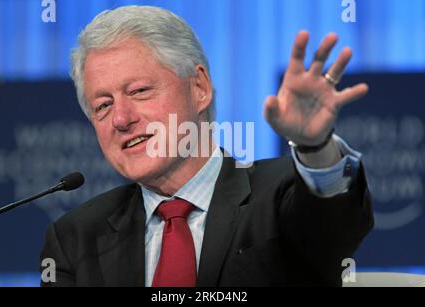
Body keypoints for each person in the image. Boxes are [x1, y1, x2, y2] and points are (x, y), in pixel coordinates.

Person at [40, 5, 373, 287]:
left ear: (199, 87)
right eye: (103, 105)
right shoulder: (75, 239)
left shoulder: (281, 194)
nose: (121, 119)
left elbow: (335, 223)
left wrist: (314, 146)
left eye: (139, 91)